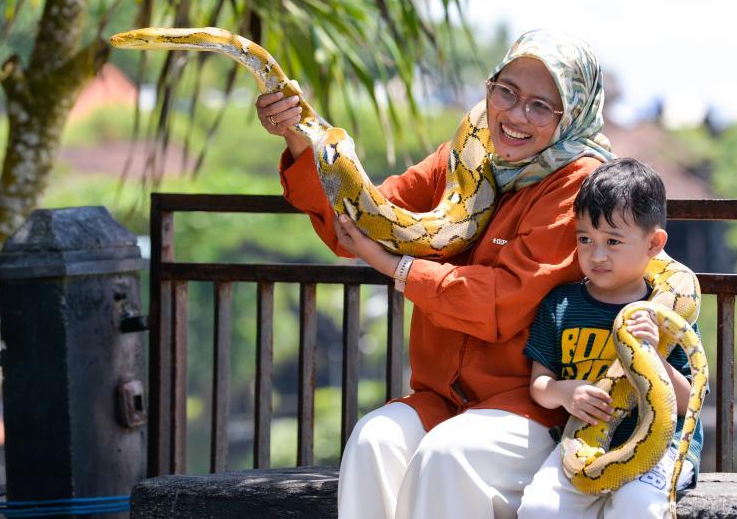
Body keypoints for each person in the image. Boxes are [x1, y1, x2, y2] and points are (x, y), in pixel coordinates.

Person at [255, 29, 616, 519]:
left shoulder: (578, 183)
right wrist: (301, 137)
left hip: (537, 408)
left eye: (540, 106)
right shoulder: (463, 157)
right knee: (373, 440)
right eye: (505, 92)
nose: (514, 115)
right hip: (443, 399)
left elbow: (500, 304)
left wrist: (398, 268)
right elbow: (359, 222)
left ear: (571, 112)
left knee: (447, 455)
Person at [518, 158, 704, 519]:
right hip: (581, 446)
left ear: (654, 244)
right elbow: (539, 383)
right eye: (585, 238)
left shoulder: (664, 315)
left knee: (638, 507)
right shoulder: (561, 303)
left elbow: (687, 402)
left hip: (661, 446)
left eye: (613, 241)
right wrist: (563, 392)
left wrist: (652, 355)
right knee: (539, 508)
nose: (596, 255)